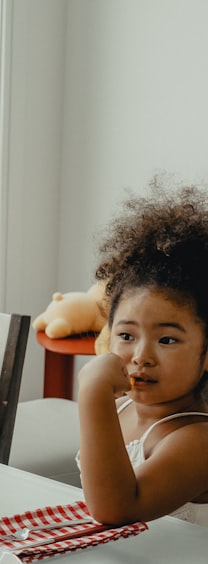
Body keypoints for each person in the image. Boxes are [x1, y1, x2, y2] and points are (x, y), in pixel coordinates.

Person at [77, 179, 208, 526]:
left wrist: (92, 391)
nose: (141, 355)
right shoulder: (121, 409)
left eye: (167, 340)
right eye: (126, 335)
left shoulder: (198, 439)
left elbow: (116, 509)